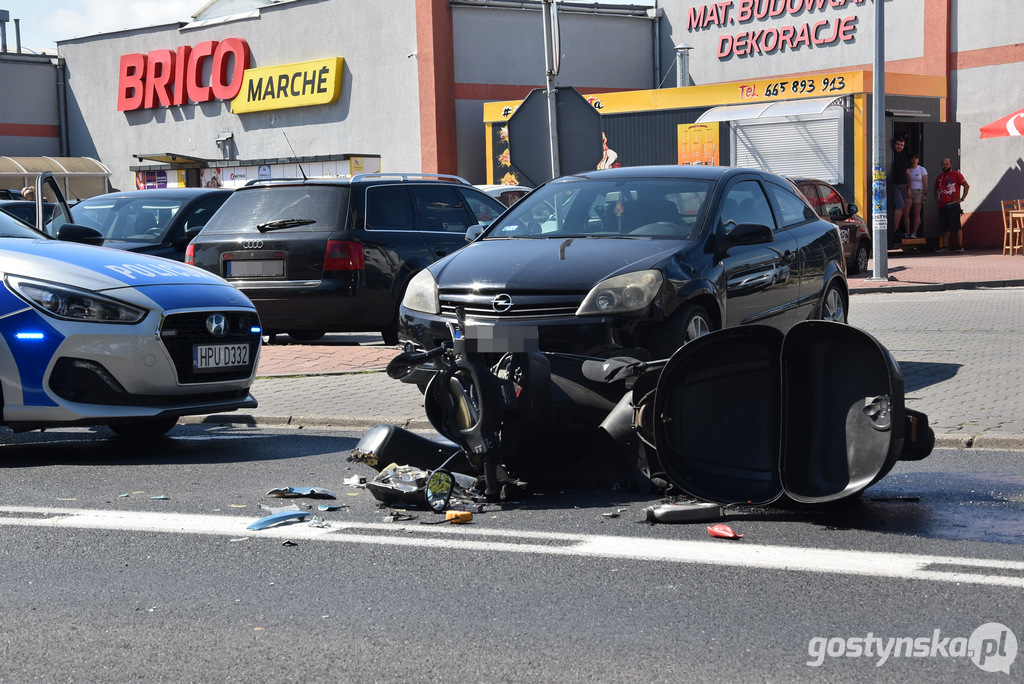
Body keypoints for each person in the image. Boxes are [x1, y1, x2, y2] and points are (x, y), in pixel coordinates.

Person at [933, 158, 970, 254]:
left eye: (947, 164)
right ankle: (945, 247)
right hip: (943, 205)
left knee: (957, 226)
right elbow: (935, 188)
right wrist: (938, 200)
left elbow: (966, 186)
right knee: (945, 227)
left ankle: (960, 246)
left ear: (951, 165)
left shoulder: (956, 175)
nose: (945, 166)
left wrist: (962, 199)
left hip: (953, 205)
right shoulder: (939, 177)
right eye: (943, 165)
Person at [890, 137, 911, 238]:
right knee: (900, 206)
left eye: (902, 145)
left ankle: (899, 229)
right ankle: (895, 229)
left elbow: (908, 173)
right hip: (895, 185)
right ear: (894, 144)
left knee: (903, 209)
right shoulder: (890, 155)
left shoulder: (904, 157)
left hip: (904, 186)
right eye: (898, 144)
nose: (899, 147)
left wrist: (909, 188)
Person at [906, 153, 928, 238]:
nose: (914, 160)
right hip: (909, 191)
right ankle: (907, 232)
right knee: (906, 212)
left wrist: (924, 194)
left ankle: (914, 233)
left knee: (916, 213)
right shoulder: (908, 169)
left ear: (918, 160)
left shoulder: (922, 170)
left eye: (916, 158)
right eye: (912, 158)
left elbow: (925, 182)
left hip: (919, 191)